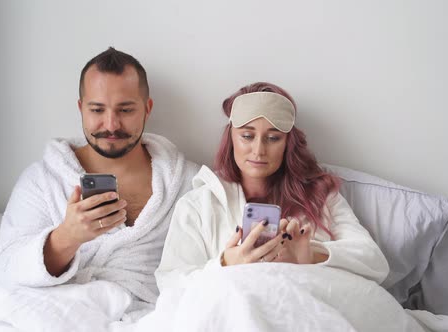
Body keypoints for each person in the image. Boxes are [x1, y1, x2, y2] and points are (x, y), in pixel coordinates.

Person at [0, 47, 199, 319]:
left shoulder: (188, 182)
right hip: (65, 314)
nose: (111, 124)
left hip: (153, 317)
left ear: (147, 109)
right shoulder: (43, 181)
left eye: (125, 109)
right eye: (97, 109)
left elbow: (211, 266)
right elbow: (6, 269)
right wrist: (66, 237)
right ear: (81, 108)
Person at [155, 82, 389, 291]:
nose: (258, 150)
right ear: (231, 139)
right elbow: (170, 284)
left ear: (288, 143)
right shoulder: (198, 204)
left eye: (273, 138)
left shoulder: (320, 195)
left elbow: (375, 263)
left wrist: (312, 255)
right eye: (247, 136)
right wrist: (225, 263)